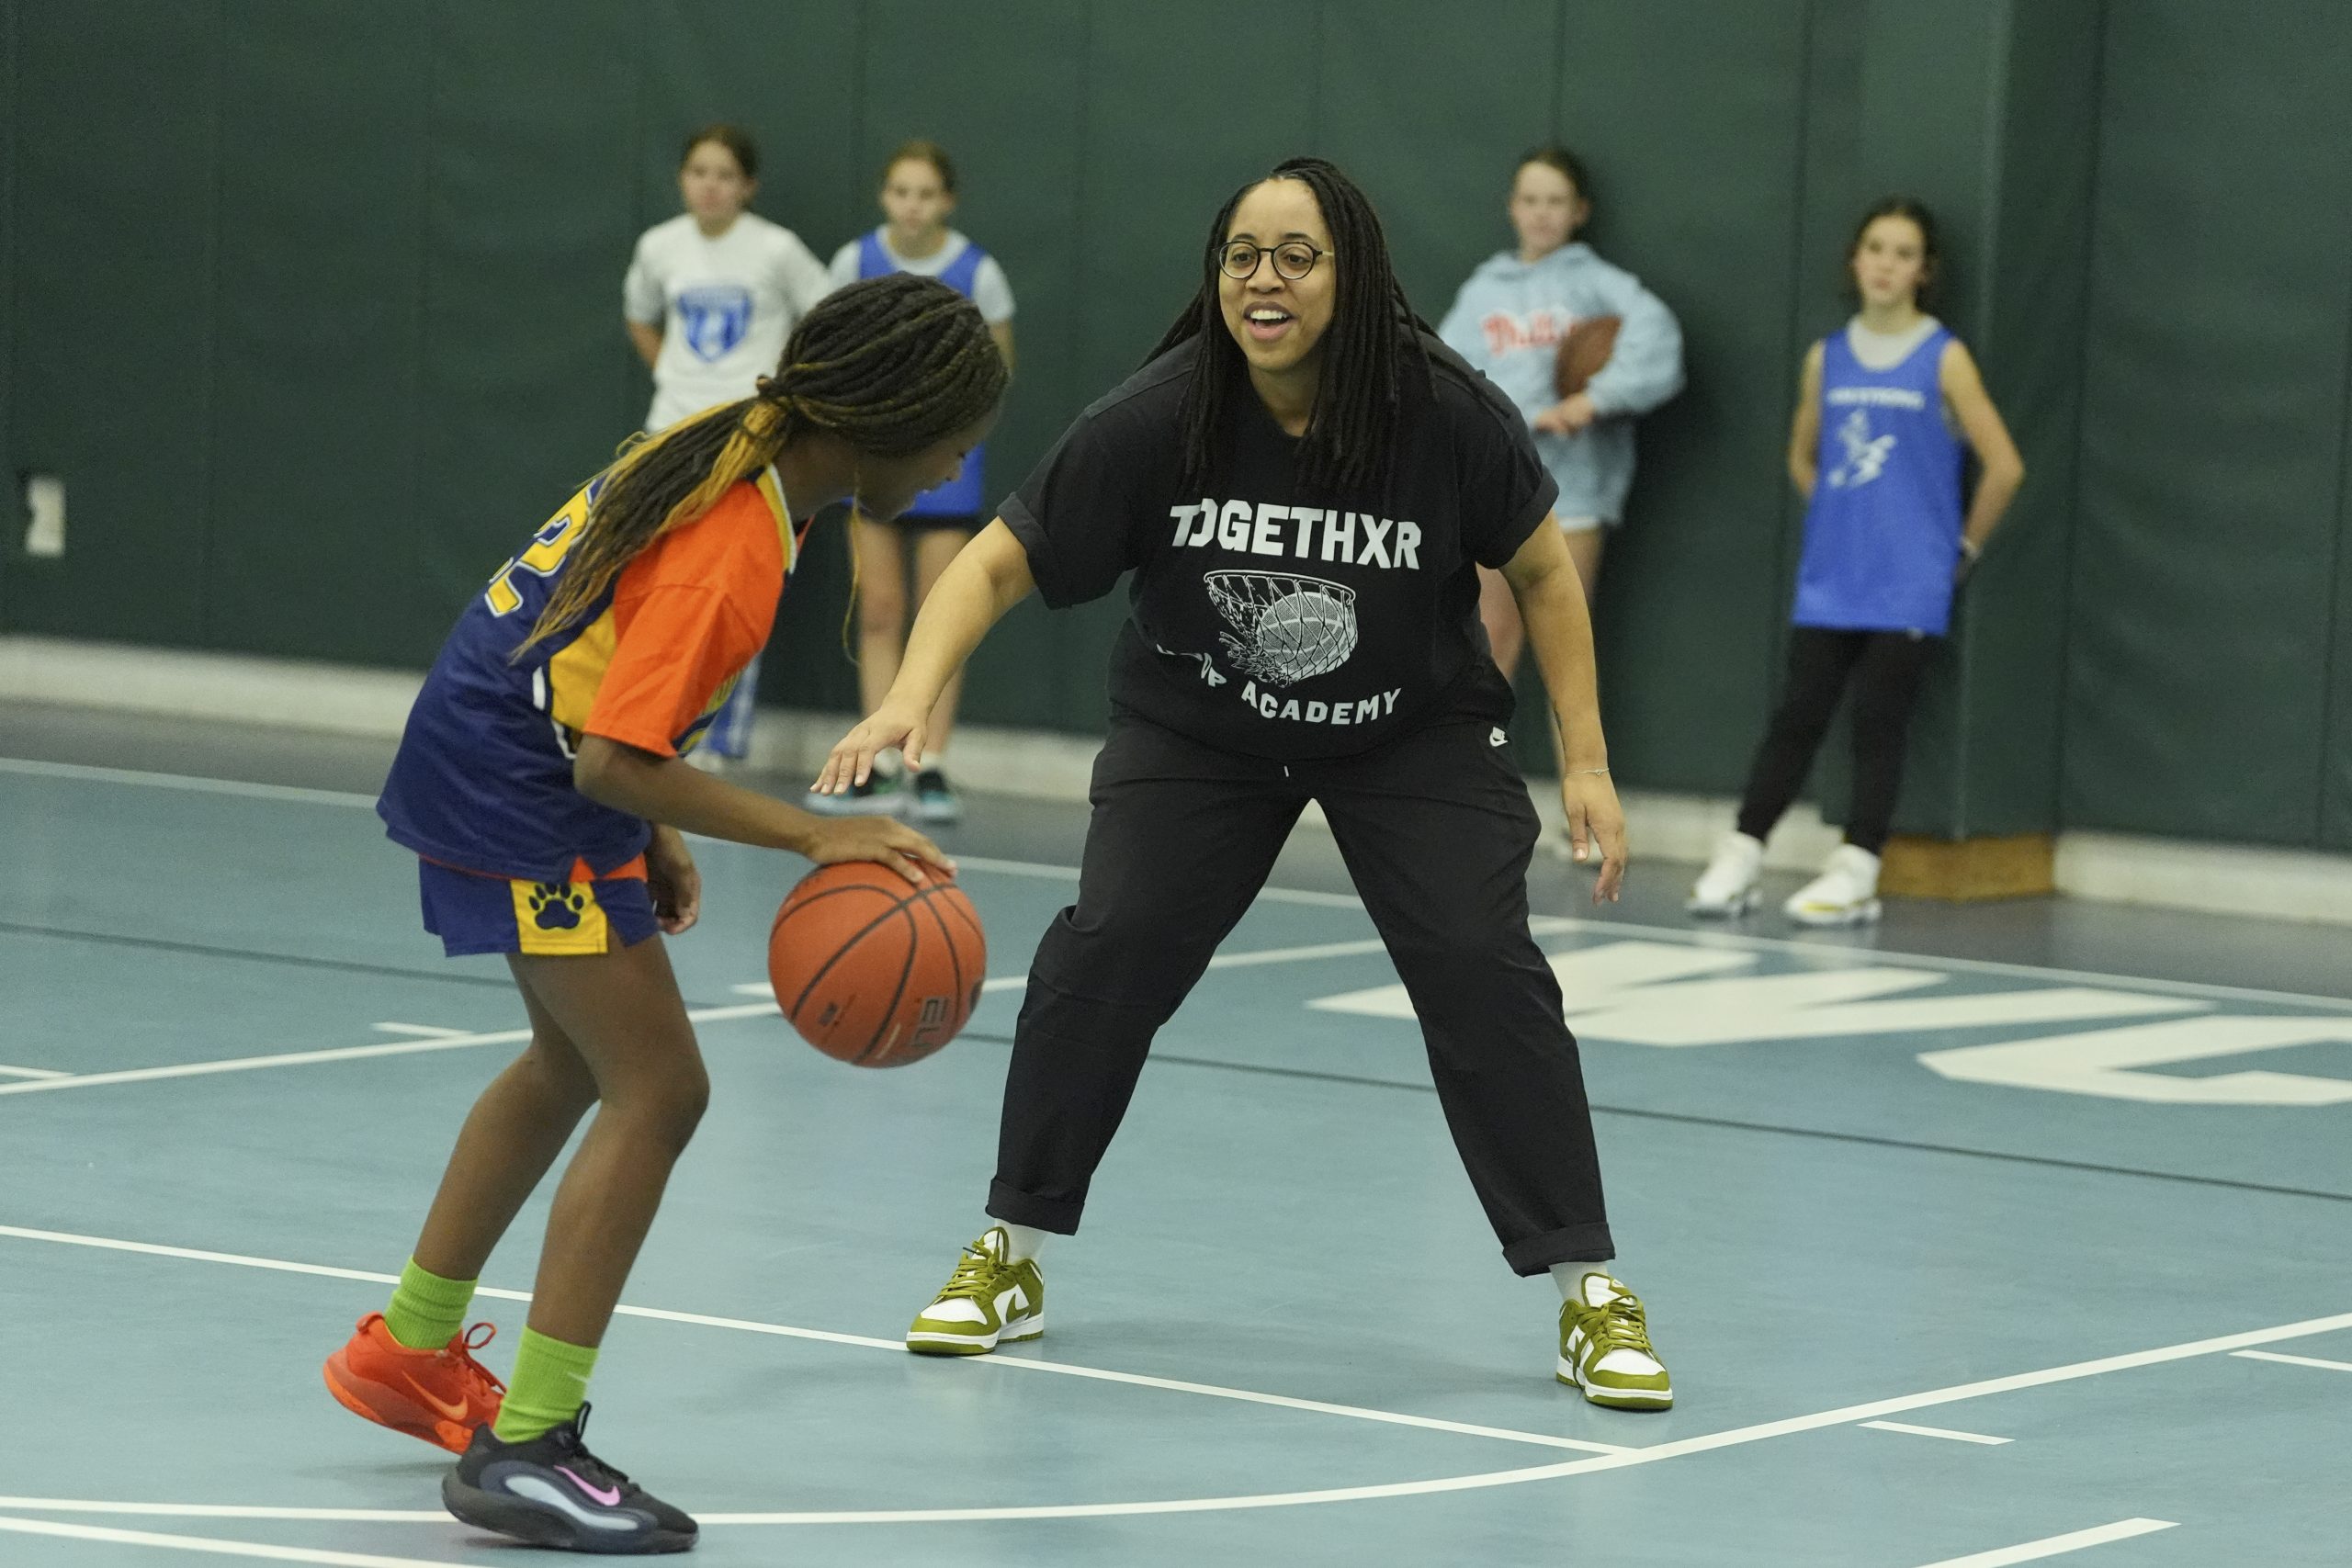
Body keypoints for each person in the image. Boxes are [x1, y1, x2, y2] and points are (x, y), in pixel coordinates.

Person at [820, 158, 1674, 1412]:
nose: (1262, 280)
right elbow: (996, 561)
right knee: (1104, 949)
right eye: (1241, 255)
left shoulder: (1440, 408)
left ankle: (1587, 1286)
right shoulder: (1161, 413)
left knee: (1481, 964)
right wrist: (907, 696)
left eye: (1296, 255)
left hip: (1410, 731)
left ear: (1354, 273)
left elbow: (1545, 575)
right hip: (1201, 729)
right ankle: (1012, 1250)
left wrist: (1588, 762)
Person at [322, 276, 1003, 1554]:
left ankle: (409, 1348)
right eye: (958, 433)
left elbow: (611, 666)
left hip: (507, 738)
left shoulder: (739, 441)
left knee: (571, 1061)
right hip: (524, 779)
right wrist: (814, 831)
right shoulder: (740, 537)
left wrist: (658, 820)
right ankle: (526, 1445)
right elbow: (605, 757)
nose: (967, 458)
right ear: (891, 418)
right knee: (661, 1088)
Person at [1688, 197, 2023, 925]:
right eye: (1876, 247)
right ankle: (1743, 851)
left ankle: (1859, 866)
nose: (1886, 263)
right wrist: (1844, 515)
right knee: (1797, 715)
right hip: (1832, 579)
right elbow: (1802, 455)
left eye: (1903, 253)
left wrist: (1958, 548)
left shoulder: (1944, 355)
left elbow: (2004, 466)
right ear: (1855, 259)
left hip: (1909, 584)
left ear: (1923, 271)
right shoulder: (1827, 357)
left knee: (1879, 722)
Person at [810, 140, 1017, 824]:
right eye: (901, 191)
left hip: (942, 474)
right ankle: (871, 761)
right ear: (884, 196)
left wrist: (941, 436)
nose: (912, 205)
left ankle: (928, 764)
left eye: (926, 193)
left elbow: (995, 374)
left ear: (947, 201)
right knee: (878, 610)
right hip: (870, 464)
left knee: (943, 615)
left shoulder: (977, 272)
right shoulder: (853, 263)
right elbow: (829, 354)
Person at [623, 124, 833, 768]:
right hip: (671, 430)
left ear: (747, 186)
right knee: (654, 575)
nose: (708, 186)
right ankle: (645, 717)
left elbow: (826, 316)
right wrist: (671, 373)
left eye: (723, 174)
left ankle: (718, 735)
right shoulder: (660, 246)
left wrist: (780, 398)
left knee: (731, 581)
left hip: (750, 437)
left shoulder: (777, 250)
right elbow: (640, 313)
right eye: (697, 172)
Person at [1437, 145, 1682, 679]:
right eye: (1531, 199)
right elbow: (1447, 383)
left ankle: (1584, 767)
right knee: (1488, 641)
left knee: (1565, 648)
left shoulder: (1596, 283)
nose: (1542, 211)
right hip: (1499, 488)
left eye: (1556, 200)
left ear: (1580, 212)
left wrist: (1594, 400)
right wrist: (1515, 418)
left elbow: (1657, 336)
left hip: (1574, 491)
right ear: (1512, 207)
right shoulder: (1483, 293)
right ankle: (1479, 762)